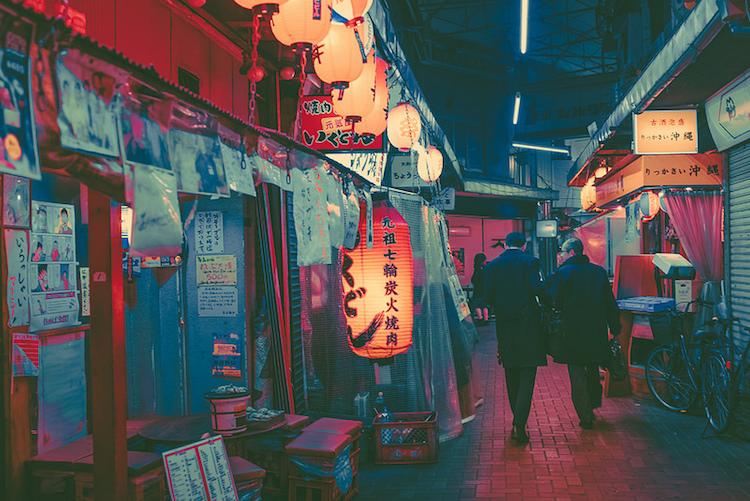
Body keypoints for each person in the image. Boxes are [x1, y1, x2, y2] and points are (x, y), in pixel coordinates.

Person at [546, 237, 622, 429]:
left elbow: (554, 301)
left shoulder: (562, 274)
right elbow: (609, 301)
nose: (561, 255)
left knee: (577, 373)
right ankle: (593, 405)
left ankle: (585, 416)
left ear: (572, 252)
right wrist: (615, 327)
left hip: (572, 333)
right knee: (593, 369)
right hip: (596, 331)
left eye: (563, 251)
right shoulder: (598, 272)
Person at [484, 231, 548, 444]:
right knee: (528, 374)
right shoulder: (530, 262)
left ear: (505, 244)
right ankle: (519, 425)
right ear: (523, 245)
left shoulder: (492, 266)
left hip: (505, 326)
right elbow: (537, 288)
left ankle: (517, 419)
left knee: (511, 372)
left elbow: (488, 295)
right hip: (528, 325)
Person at [470, 253, 490, 325]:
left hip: (478, 290)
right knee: (484, 305)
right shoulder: (486, 268)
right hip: (485, 290)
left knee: (476, 305)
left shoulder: (477, 269)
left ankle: (480, 318)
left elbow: (474, 279)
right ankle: (486, 319)